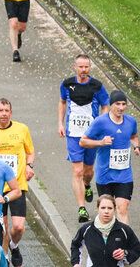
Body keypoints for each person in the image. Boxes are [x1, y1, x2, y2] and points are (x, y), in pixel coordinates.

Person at [59, 54, 110, 222]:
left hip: (91, 136)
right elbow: (62, 102)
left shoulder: (97, 86)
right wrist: (60, 123)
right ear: (75, 67)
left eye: (86, 67)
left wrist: (101, 124)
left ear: (90, 67)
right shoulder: (67, 84)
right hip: (73, 134)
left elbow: (105, 106)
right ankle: (82, 209)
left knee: (88, 171)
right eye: (80, 67)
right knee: (77, 171)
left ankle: (87, 185)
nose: (83, 70)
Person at [0, 98, 35, 266]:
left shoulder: (22, 129)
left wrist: (29, 165)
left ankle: (14, 246)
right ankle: (4, 259)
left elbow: (30, 152)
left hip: (17, 186)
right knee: (2, 229)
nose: (4, 114)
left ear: (11, 113)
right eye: (0, 110)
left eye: (7, 111)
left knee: (18, 227)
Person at [81, 90, 139, 224]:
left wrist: (136, 146)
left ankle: (123, 242)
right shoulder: (100, 122)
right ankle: (106, 241)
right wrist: (100, 142)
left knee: (122, 208)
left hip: (124, 175)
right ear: (111, 105)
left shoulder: (131, 121)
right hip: (105, 175)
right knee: (107, 212)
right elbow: (83, 141)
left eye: (124, 104)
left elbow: (134, 136)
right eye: (117, 104)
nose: (121, 107)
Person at [70, 194, 140, 267]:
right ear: (97, 209)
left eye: (110, 208)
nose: (106, 211)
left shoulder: (124, 230)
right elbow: (75, 245)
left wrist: (125, 254)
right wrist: (76, 263)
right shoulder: (86, 229)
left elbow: (136, 248)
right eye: (103, 208)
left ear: (114, 209)